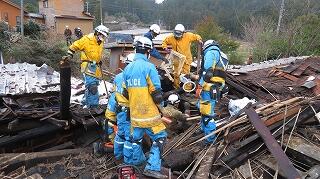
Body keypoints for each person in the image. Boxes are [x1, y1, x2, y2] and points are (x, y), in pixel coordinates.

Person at [123, 37, 167, 179]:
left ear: (136, 50)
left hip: (135, 115)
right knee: (160, 138)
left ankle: (138, 163)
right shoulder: (149, 67)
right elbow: (157, 95)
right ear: (148, 51)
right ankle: (152, 167)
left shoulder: (127, 68)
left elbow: (125, 93)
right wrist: (164, 108)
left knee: (136, 140)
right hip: (149, 115)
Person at [63, 24, 109, 108]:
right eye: (101, 35)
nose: (102, 37)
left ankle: (85, 102)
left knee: (92, 85)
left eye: (104, 36)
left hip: (96, 67)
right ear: (96, 33)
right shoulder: (87, 39)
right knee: (92, 87)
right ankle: (92, 107)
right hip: (88, 66)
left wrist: (99, 61)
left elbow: (96, 53)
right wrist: (69, 55)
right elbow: (74, 46)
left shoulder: (100, 43)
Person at [104, 53, 134, 164]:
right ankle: (128, 161)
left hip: (120, 112)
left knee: (120, 136)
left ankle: (118, 156)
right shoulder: (132, 78)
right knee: (129, 139)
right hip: (128, 113)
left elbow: (116, 94)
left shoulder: (118, 77)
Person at [197, 40, 229, 143]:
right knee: (203, 108)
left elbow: (208, 73)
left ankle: (210, 140)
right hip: (217, 87)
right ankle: (203, 129)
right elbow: (221, 75)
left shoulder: (211, 52)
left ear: (206, 47)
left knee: (207, 115)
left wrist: (199, 85)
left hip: (208, 87)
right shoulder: (222, 55)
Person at [162, 24, 202, 88]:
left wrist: (199, 39)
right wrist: (165, 48)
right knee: (176, 74)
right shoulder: (171, 37)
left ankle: (187, 89)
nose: (177, 37)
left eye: (179, 36)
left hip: (186, 60)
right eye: (176, 35)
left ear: (183, 33)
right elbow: (164, 42)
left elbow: (197, 36)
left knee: (186, 75)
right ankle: (176, 87)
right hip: (177, 59)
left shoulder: (188, 36)